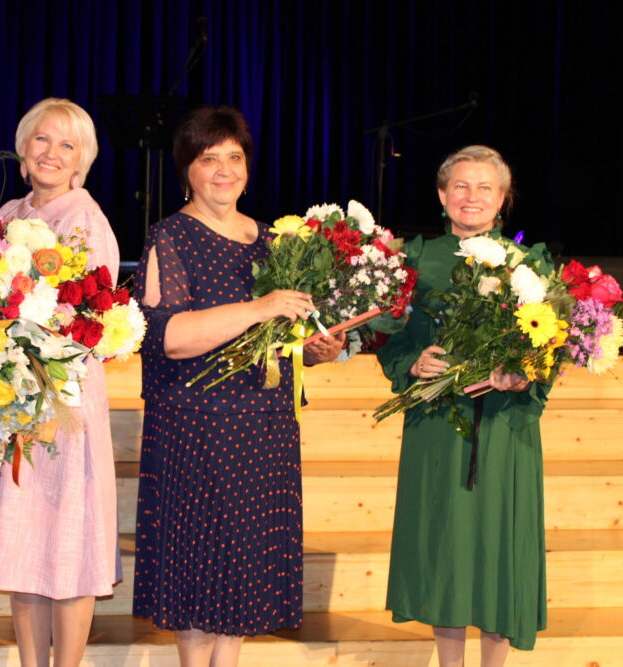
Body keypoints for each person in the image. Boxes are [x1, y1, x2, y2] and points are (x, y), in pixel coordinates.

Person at [131, 105, 345, 667]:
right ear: (187, 170)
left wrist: (315, 349)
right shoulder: (170, 236)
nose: (224, 170)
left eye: (234, 157)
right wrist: (260, 306)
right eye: (209, 159)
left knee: (242, 577)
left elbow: (282, 335)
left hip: (264, 427)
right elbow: (169, 338)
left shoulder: (273, 240)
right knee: (200, 577)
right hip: (197, 430)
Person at [377, 145, 549, 665]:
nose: (471, 197)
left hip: (503, 429)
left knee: (499, 549)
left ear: (503, 198)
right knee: (444, 549)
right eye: (460, 186)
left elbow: (550, 346)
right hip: (436, 425)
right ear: (441, 195)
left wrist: (523, 375)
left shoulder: (530, 264)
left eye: (484, 187)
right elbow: (391, 338)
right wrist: (412, 362)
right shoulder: (413, 260)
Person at [0, 97, 121, 667]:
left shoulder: (85, 219)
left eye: (67, 144)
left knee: (68, 543)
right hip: (11, 397)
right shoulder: (8, 213)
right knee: (23, 543)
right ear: (23, 148)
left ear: (82, 160)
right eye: (42, 139)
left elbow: (89, 322)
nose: (52, 153)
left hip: (62, 401)